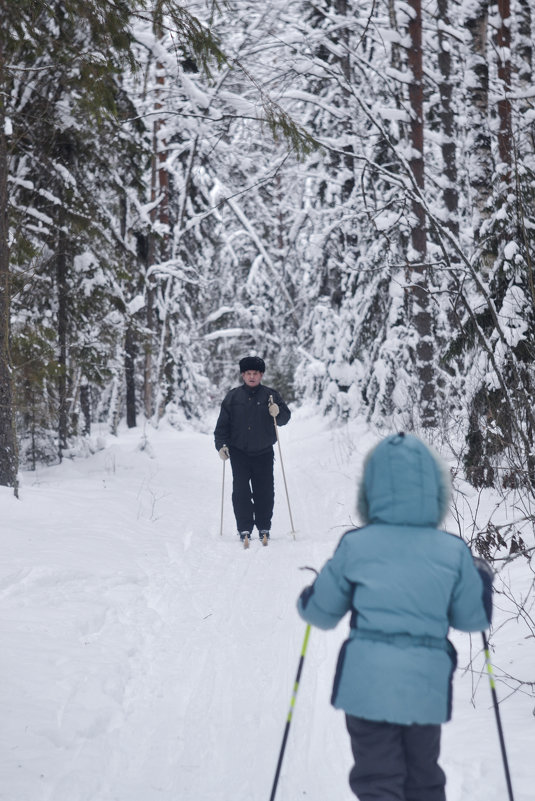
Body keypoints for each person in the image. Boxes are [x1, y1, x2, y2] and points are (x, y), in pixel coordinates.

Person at [297, 432, 493, 801]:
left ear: (371, 492)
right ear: (435, 492)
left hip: (366, 688)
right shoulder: (453, 551)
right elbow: (473, 618)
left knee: (377, 781)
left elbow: (319, 614)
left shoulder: (355, 544)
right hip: (424, 689)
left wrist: (313, 591)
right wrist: (481, 578)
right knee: (423, 782)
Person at [214, 356, 291, 545]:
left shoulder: (270, 396)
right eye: (248, 373)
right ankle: (244, 528)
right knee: (241, 491)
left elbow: (284, 419)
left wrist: (277, 411)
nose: (251, 377)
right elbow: (222, 426)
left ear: (261, 375)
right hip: (238, 452)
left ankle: (264, 526)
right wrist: (221, 445)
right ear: (242, 375)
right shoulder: (232, 397)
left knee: (264, 490)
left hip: (264, 451)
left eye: (255, 373)